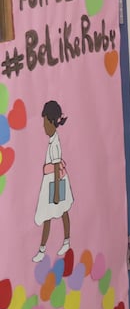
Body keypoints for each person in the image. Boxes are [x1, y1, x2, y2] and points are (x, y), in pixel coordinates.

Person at [32, 100, 74, 263]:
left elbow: (56, 167)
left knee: (60, 211)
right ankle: (45, 248)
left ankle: (64, 242)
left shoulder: (55, 142)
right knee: (50, 215)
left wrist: (56, 192)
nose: (43, 127)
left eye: (44, 123)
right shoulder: (52, 141)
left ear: (51, 122)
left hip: (55, 182)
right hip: (51, 181)